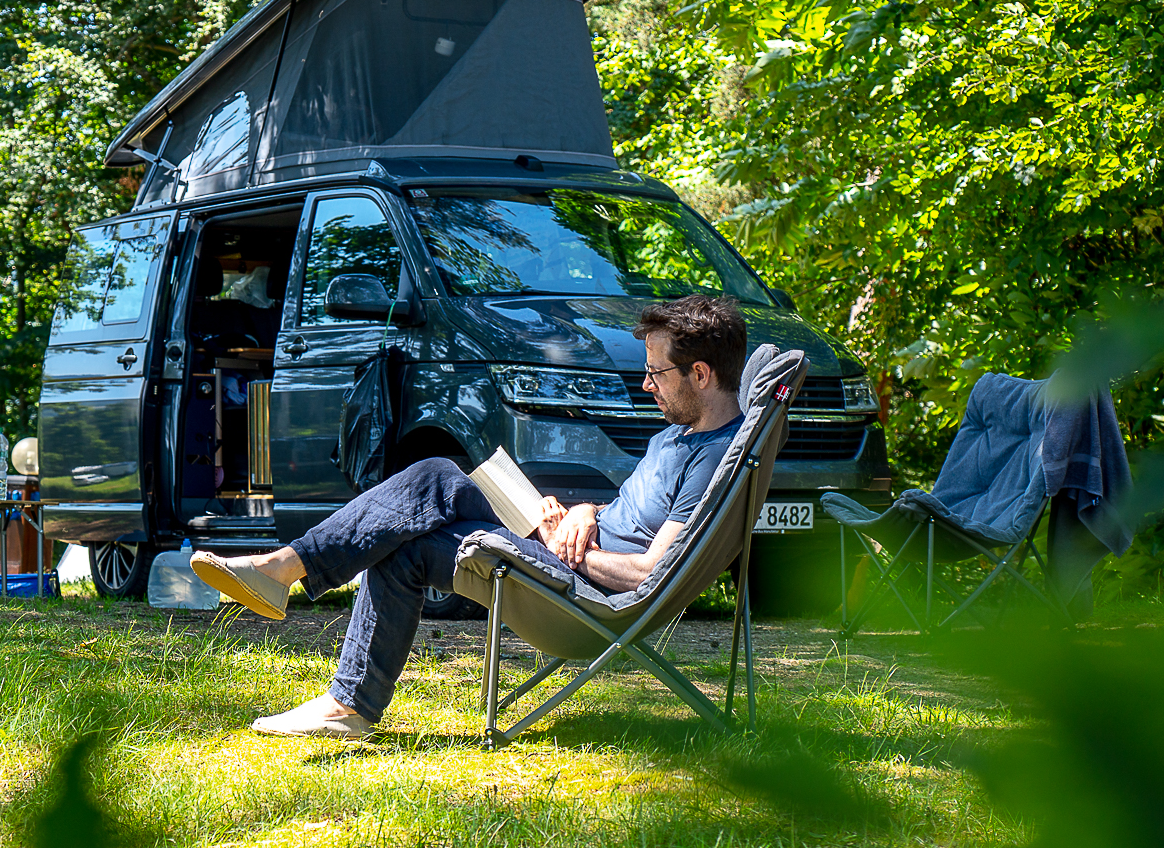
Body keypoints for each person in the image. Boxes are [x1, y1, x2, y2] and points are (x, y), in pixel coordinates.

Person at [191, 294, 748, 738]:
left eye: (658, 373)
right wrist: (582, 511)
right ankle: (333, 676)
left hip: (587, 584)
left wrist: (567, 546)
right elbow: (633, 513)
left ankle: (300, 602)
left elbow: (652, 572)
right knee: (440, 478)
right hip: (573, 542)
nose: (646, 384)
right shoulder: (676, 435)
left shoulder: (710, 461)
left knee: (423, 503)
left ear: (700, 374)